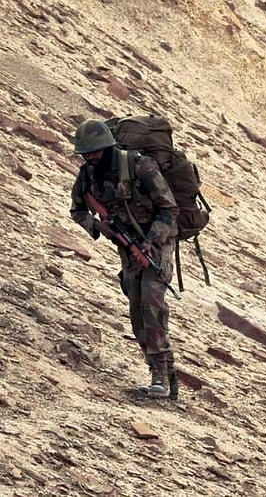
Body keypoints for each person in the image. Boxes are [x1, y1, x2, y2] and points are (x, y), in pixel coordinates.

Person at [69, 119, 180, 399]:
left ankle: (160, 375)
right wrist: (98, 226)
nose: (91, 158)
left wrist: (150, 240)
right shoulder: (88, 175)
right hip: (127, 248)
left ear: (108, 147)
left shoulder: (140, 166)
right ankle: (165, 371)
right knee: (137, 310)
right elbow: (77, 210)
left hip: (157, 244)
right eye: (86, 154)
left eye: (95, 152)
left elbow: (169, 209)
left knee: (152, 302)